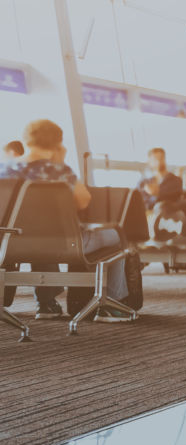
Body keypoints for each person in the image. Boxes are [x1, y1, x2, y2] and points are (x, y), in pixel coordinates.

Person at [0, 119, 131, 317]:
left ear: (26, 139)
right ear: (58, 143)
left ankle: (46, 304)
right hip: (65, 243)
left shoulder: (4, 170)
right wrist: (60, 163)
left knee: (40, 237)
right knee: (116, 234)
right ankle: (110, 305)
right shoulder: (58, 170)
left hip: (9, 243)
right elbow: (83, 201)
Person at [137, 147, 184, 211]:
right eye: (155, 159)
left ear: (165, 159)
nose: (159, 161)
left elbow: (173, 198)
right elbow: (141, 202)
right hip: (147, 216)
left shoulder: (176, 181)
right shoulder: (143, 183)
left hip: (168, 216)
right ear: (149, 162)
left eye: (161, 158)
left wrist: (156, 193)